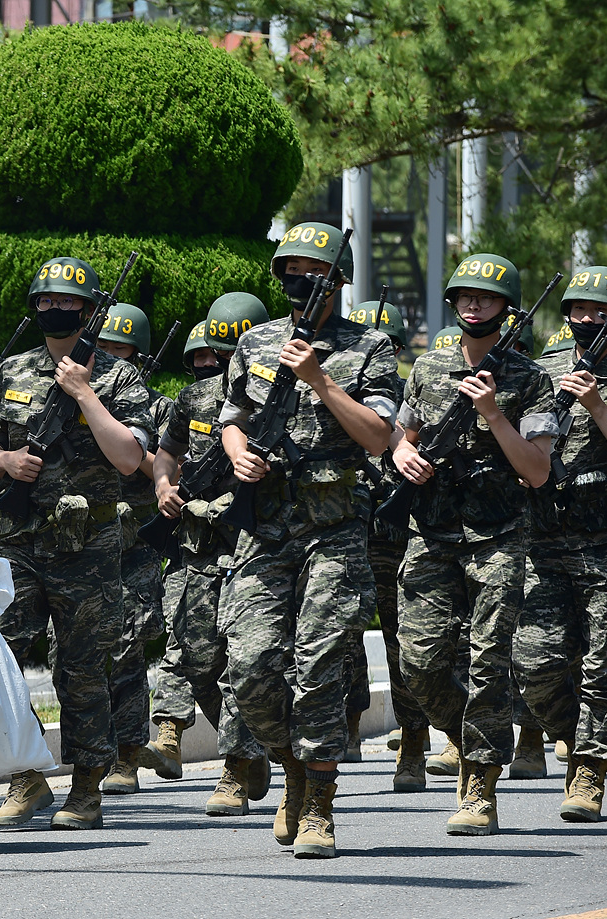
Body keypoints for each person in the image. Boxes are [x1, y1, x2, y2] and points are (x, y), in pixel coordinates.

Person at [219, 221, 398, 858]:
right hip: (266, 528)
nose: (298, 279)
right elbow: (232, 418)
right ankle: (291, 767)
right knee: (248, 668)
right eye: (288, 268)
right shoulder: (255, 343)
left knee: (320, 669)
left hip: (334, 529)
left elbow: (379, 436)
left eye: (310, 268)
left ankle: (319, 803)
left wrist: (321, 380)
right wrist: (239, 454)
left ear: (336, 279)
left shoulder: (370, 347)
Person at [0, 256, 152, 830]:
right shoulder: (10, 371)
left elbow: (131, 458)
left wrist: (84, 394)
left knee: (80, 670)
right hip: (21, 539)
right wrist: (4, 460)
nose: (57, 310)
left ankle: (85, 786)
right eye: (47, 301)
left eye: (69, 302)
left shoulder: (118, 377)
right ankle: (25, 776)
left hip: (90, 544)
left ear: (89, 308)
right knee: (0, 656)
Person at [394, 252, 556, 836]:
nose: (472, 304)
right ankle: (467, 742)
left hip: (499, 535)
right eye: (464, 296)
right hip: (432, 532)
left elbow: (537, 470)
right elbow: (403, 436)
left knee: (489, 661)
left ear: (506, 307)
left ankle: (481, 786)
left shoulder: (531, 380)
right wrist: (401, 453)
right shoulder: (428, 370)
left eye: (485, 298)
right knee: (419, 663)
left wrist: (492, 414)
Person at [151, 293, 272, 816]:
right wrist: (163, 487)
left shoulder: (275, 400)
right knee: (194, 658)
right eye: (215, 353)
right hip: (196, 549)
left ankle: (234, 772)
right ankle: (250, 751)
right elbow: (167, 451)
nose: (219, 366)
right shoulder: (193, 400)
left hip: (251, 547)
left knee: (240, 663)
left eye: (230, 355)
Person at [516, 265, 607, 821]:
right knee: (535, 663)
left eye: (600, 311)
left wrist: (600, 406)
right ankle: (573, 733)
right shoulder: (543, 369)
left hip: (606, 538)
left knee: (603, 662)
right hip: (545, 536)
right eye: (578, 310)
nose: (587, 319)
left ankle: (587, 773)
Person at [342, 300, 433, 789]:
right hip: (344, 530)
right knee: (339, 640)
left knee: (403, 644)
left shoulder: (404, 402)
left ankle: (413, 741)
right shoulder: (336, 391)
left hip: (393, 538)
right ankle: (347, 725)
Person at [93, 302, 172, 795]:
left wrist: (128, 444)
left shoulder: (159, 408)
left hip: (134, 546)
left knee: (126, 648)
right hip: (82, 542)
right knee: (76, 653)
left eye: (119, 349)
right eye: (102, 348)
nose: (109, 358)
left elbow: (162, 470)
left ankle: (125, 755)